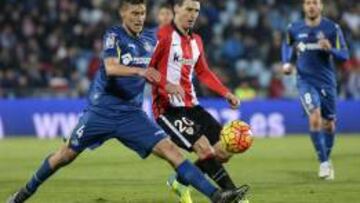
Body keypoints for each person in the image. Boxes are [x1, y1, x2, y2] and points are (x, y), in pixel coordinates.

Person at [7, 1, 248, 202]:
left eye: (142, 13)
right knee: (64, 156)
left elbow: (167, 49)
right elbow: (111, 68)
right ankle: (25, 192)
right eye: (134, 13)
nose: (139, 18)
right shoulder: (114, 35)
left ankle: (217, 196)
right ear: (123, 13)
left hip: (132, 115)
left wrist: (165, 82)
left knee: (172, 152)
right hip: (102, 111)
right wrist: (140, 71)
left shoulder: (150, 40)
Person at [149, 0, 249, 202]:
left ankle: (180, 181)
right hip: (169, 109)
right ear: (176, 9)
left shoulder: (196, 40)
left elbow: (203, 71)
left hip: (193, 106)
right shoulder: (163, 37)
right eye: (188, 9)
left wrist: (225, 93)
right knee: (203, 147)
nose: (192, 14)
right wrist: (166, 85)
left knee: (224, 149)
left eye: (196, 10)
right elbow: (148, 71)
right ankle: (235, 197)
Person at [282, 0, 349, 180]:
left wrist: (331, 50)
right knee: (314, 117)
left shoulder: (332, 28)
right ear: (304, 7)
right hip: (305, 80)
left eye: (315, 2)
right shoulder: (294, 27)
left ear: (321, 6)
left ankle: (326, 158)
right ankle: (324, 162)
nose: (311, 6)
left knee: (329, 124)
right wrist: (287, 62)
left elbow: (345, 55)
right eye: (308, 3)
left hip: (327, 83)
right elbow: (287, 44)